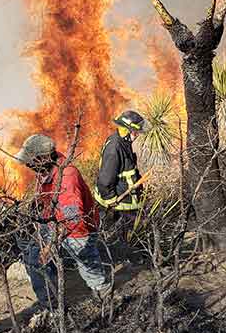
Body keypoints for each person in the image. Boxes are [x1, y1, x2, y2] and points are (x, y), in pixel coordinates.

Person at [15, 134, 112, 315]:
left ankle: (104, 298)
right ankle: (52, 306)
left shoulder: (67, 175)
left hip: (78, 230)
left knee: (88, 267)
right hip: (54, 223)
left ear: (42, 157)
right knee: (34, 256)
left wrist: (50, 245)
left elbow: (72, 217)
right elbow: (46, 200)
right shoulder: (45, 169)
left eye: (31, 161)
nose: (28, 165)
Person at [95, 110, 146, 260]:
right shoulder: (115, 148)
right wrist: (111, 198)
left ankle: (124, 255)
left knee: (122, 232)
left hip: (124, 197)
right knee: (125, 233)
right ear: (127, 130)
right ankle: (129, 259)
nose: (137, 135)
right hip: (121, 201)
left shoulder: (122, 141)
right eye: (135, 132)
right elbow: (105, 179)